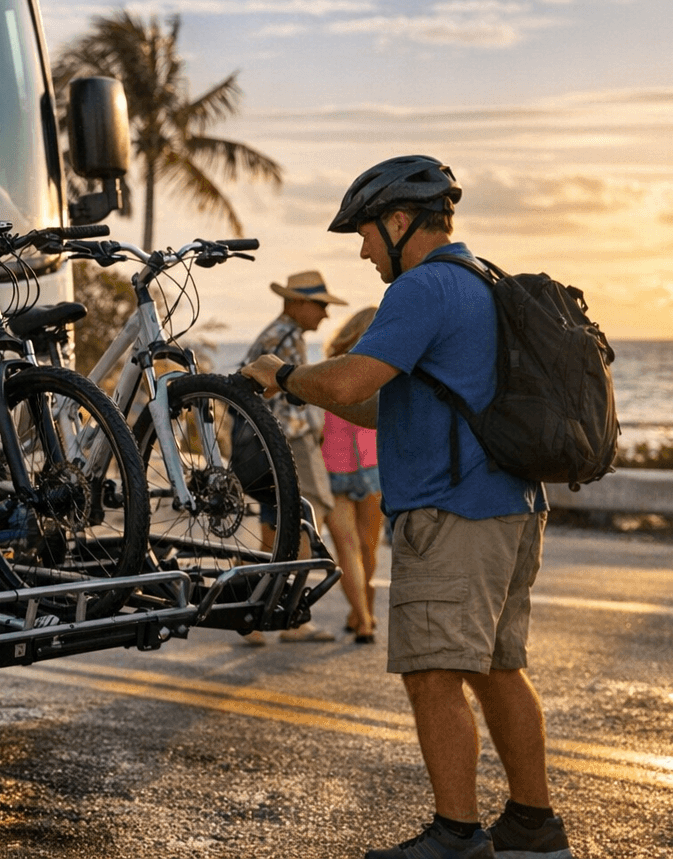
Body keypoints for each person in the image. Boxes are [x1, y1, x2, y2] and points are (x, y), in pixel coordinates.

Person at [242, 156, 569, 859]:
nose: (363, 251)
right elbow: (378, 403)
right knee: (497, 668)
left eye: (365, 234)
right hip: (509, 504)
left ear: (398, 221)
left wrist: (283, 374)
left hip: (452, 513)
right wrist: (311, 390)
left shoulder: (422, 288)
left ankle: (456, 836)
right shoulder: (481, 282)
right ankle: (533, 827)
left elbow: (350, 379)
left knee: (433, 672)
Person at [239, 269, 344, 647]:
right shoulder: (288, 336)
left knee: (273, 530)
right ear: (297, 303)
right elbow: (297, 394)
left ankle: (249, 613)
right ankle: (292, 616)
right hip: (290, 441)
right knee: (305, 519)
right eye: (319, 305)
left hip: (265, 443)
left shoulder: (273, 334)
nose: (325, 314)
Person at [321, 306, 383, 644]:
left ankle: (361, 616)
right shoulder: (380, 366)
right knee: (367, 548)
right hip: (369, 465)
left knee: (348, 549)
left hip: (335, 465)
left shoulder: (330, 366)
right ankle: (364, 614)